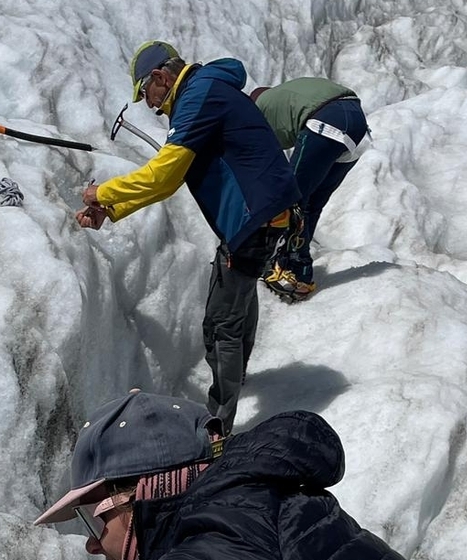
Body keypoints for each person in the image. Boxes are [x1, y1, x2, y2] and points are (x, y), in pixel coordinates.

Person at [75, 40, 302, 434]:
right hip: (262, 218)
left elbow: (163, 175)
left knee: (221, 325)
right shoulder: (209, 88)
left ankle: (218, 425)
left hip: (254, 220)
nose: (151, 106)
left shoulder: (198, 95)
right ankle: (234, 384)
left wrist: (103, 194)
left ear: (161, 78)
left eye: (148, 95)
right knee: (237, 303)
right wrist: (112, 211)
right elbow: (173, 179)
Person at [34, 389, 406, 560]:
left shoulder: (226, 537)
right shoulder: (266, 507)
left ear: (145, 493)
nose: (92, 544)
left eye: (91, 517)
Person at [251, 78, 370, 302]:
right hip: (358, 129)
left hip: (326, 122)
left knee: (290, 198)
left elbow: (265, 157)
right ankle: (299, 270)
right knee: (312, 203)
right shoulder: (290, 94)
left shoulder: (258, 108)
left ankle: (289, 270)